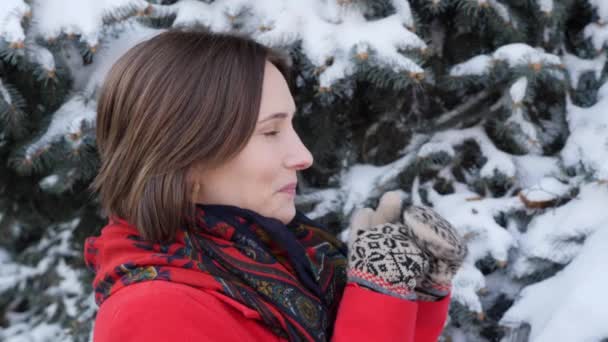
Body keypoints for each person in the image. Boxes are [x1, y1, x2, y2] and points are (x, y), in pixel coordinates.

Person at [84, 28, 467, 341]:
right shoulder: (153, 317)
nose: (303, 156)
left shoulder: (276, 264)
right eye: (270, 131)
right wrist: (378, 298)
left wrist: (414, 295)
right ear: (184, 157)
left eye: (291, 126)